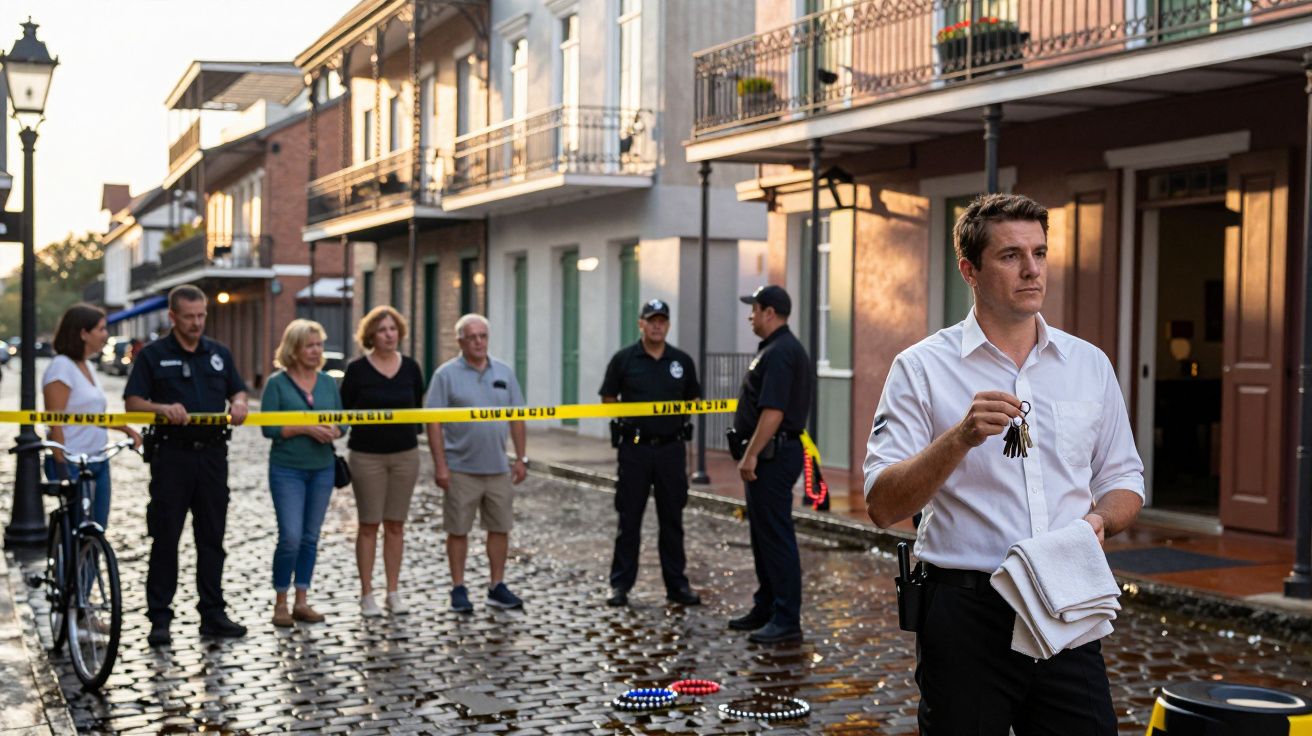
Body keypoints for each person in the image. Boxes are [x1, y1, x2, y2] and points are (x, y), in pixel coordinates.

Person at [863, 193, 1144, 734]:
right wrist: (960, 438)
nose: (1032, 269)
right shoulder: (921, 368)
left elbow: (1124, 478)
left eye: (1039, 252)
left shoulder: (1089, 364)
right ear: (970, 269)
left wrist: (1100, 521)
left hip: (1068, 603)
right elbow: (881, 504)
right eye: (1011, 256)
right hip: (966, 612)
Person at [124, 285, 250, 646]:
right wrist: (161, 409)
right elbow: (132, 401)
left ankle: (212, 613)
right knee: (166, 538)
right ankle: (159, 617)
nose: (197, 323)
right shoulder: (153, 355)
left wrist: (239, 403)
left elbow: (237, 389)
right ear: (173, 317)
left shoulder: (218, 353)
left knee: (212, 538)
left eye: (201, 315)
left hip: (211, 456)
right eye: (189, 316)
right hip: (172, 457)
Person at [598, 298, 702, 608]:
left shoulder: (681, 361)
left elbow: (693, 401)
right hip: (635, 450)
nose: (657, 325)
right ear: (641, 324)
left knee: (672, 520)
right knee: (629, 520)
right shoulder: (624, 360)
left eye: (662, 320)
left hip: (671, 449)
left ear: (668, 325)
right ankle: (620, 585)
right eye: (651, 320)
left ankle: (676, 585)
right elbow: (607, 398)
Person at [727, 285, 812, 645]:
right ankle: (766, 606)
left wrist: (751, 454)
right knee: (762, 536)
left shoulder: (781, 352)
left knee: (775, 536)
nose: (750, 316)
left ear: (770, 313)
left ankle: (786, 616)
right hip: (770, 454)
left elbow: (773, 411)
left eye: (754, 309)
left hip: (773, 456)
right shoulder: (773, 350)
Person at [425, 313, 527, 613]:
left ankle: (497, 585)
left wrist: (521, 458)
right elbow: (433, 422)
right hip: (460, 468)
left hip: (498, 467)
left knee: (500, 528)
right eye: (472, 337)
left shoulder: (504, 372)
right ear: (460, 341)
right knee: (458, 530)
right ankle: (458, 587)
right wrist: (440, 465)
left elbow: (517, 416)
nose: (479, 342)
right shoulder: (445, 375)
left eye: (483, 336)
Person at [340, 306, 425, 617]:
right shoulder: (357, 370)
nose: (389, 334)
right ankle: (367, 594)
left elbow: (417, 405)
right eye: (382, 330)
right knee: (368, 525)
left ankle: (393, 591)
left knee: (396, 525)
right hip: (366, 456)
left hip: (405, 455)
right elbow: (345, 407)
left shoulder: (412, 368)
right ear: (371, 335)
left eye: (393, 328)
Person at [260, 319, 346, 628]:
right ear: (294, 349)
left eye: (319, 345)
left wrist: (335, 429)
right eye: (309, 345)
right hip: (287, 470)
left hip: (321, 468)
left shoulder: (327, 382)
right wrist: (305, 428)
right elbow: (269, 428)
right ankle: (280, 601)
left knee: (310, 537)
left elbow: (343, 420)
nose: (316, 351)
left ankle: (302, 600)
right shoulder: (277, 384)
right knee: (291, 537)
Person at [42, 304, 142, 529]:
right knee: (78, 532)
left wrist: (127, 429)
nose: (106, 335)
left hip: (97, 460)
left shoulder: (86, 366)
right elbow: (55, 422)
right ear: (83, 333)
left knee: (97, 530)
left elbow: (93, 416)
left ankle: (92, 564)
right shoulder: (61, 368)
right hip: (72, 461)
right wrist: (61, 466)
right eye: (101, 329)